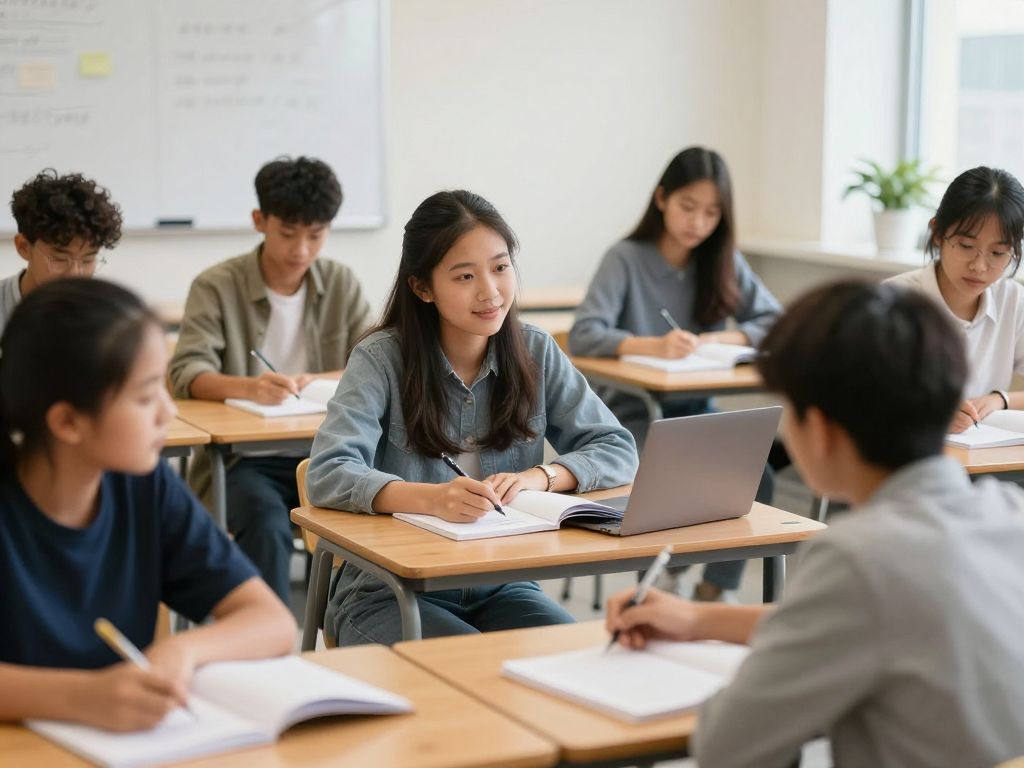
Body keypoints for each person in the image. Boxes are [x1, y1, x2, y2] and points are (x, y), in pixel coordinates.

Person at [606, 280, 1024, 767]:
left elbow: (728, 747)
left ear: (820, 428)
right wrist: (698, 620)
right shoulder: (1010, 513)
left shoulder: (857, 558)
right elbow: (873, 624)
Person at [307, 189, 638, 646]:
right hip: (387, 590)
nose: (490, 291)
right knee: (465, 670)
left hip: (502, 581)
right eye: (465, 276)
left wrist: (542, 477)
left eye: (501, 268)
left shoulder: (535, 350)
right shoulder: (381, 359)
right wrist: (431, 499)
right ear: (423, 287)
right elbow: (326, 473)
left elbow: (618, 447)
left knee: (577, 656)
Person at [0, 279, 295, 732]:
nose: (168, 411)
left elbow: (272, 621)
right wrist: (82, 697)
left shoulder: (144, 486)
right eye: (144, 396)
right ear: (66, 421)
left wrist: (181, 650)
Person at [570, 146, 781, 600]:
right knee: (670, 474)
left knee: (758, 474)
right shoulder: (625, 258)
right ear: (662, 198)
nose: (698, 223)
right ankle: (664, 569)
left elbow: (775, 321)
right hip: (631, 412)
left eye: (711, 213)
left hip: (695, 408)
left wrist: (719, 340)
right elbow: (585, 333)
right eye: (688, 207)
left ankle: (712, 588)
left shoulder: (720, 260)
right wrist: (654, 345)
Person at [169, 156, 373, 601]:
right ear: (260, 221)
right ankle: (269, 642)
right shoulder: (216, 285)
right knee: (263, 523)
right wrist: (249, 386)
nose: (301, 249)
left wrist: (313, 379)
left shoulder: (341, 282)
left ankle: (356, 620)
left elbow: (375, 363)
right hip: (244, 460)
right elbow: (185, 372)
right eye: (288, 233)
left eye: (315, 235)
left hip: (329, 454)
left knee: (374, 520)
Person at [887, 165, 1024, 432]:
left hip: (985, 461)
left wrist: (1001, 400)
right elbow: (859, 402)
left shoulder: (1013, 301)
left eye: (997, 253)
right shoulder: (893, 300)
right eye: (966, 246)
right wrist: (929, 414)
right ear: (937, 233)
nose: (979, 267)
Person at [1, 169, 123, 337]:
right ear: (23, 247)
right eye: (60, 259)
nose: (75, 274)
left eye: (88, 260)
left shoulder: (107, 317)